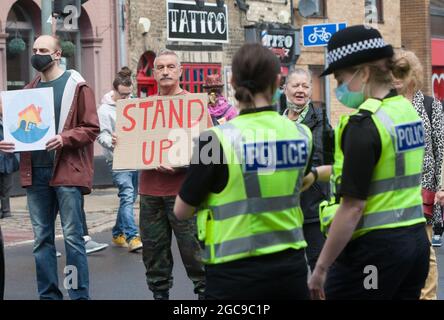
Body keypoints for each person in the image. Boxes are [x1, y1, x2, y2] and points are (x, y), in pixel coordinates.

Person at [174, 43, 314, 300]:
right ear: (278, 81)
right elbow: (296, 181)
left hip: (233, 274)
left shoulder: (213, 140)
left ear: (232, 81)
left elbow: (182, 210)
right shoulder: (301, 134)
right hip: (290, 271)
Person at [307, 25, 429, 300]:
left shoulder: (364, 124)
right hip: (414, 245)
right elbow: (382, 171)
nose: (339, 88)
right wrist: (316, 174)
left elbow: (352, 208)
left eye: (340, 78)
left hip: (374, 254)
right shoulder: (405, 111)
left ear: (363, 72)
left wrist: (321, 268)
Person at [0, 35, 99, 299]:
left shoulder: (77, 86)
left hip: (67, 171)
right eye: (34, 50)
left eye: (43, 50)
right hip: (36, 173)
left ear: (57, 54)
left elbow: (91, 128)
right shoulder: (28, 90)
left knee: (73, 239)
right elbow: (22, 131)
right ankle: (49, 295)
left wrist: (64, 138)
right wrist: (8, 143)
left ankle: (78, 295)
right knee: (41, 240)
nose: (36, 54)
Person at [135, 49, 205, 300]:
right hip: (150, 192)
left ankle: (204, 297)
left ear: (180, 71)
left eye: (170, 67)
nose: (165, 71)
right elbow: (132, 145)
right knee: (154, 254)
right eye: (160, 67)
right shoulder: (140, 109)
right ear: (153, 73)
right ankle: (159, 295)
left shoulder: (196, 105)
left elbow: (211, 152)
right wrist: (121, 141)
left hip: (184, 193)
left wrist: (182, 165)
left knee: (194, 252)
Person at [392, 50, 444, 300]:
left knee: (425, 250)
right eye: (394, 73)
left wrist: (442, 187)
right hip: (393, 191)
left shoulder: (430, 105)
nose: (397, 78)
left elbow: (441, 149)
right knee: (396, 249)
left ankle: (428, 297)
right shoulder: (386, 107)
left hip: (424, 190)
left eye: (402, 72)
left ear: (414, 74)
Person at [283, 67, 330, 271]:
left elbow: (320, 158)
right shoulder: (277, 121)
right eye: (295, 85)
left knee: (319, 265)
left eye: (305, 85)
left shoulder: (320, 119)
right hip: (284, 209)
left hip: (312, 206)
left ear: (311, 90)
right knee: (287, 269)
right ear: (285, 89)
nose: (300, 90)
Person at [97, 67, 142, 252]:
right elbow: (102, 136)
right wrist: (112, 142)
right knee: (127, 195)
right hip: (117, 160)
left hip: (136, 158)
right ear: (115, 90)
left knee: (130, 199)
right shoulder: (104, 110)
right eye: (122, 95)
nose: (126, 99)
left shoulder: (134, 103)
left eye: (128, 95)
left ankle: (117, 233)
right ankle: (132, 237)